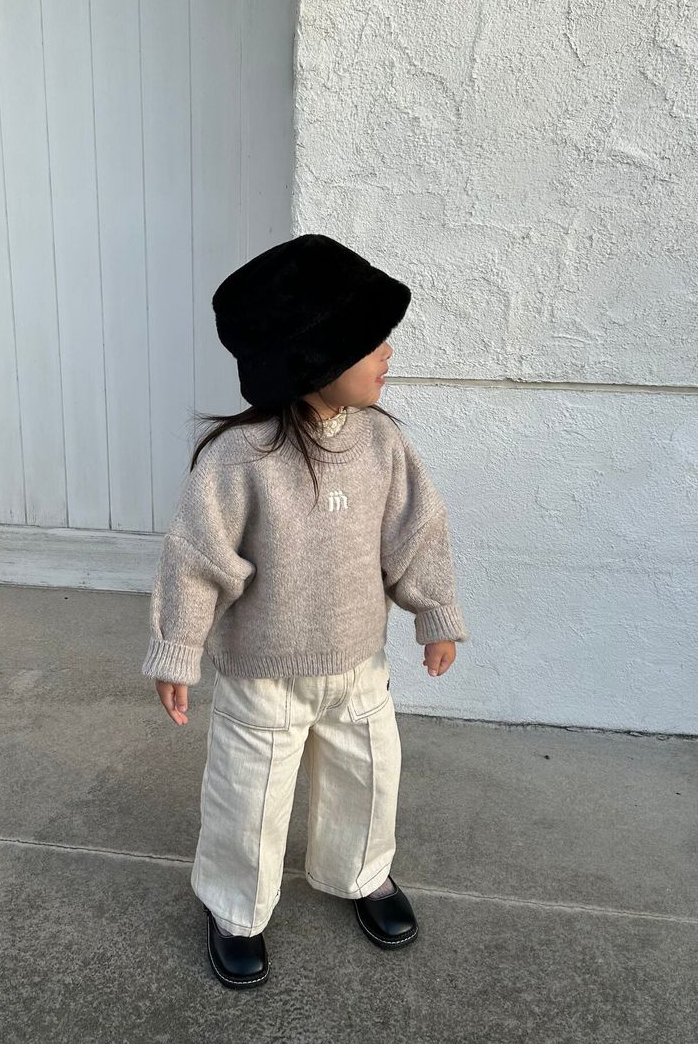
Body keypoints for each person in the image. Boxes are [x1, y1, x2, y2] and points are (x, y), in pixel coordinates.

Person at [141, 232, 469, 989]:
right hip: (263, 675)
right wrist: (177, 650)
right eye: (370, 340)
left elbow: (416, 530)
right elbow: (197, 559)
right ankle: (235, 907)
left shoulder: (382, 443)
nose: (387, 352)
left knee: (369, 774)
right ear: (313, 356)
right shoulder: (241, 459)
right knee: (248, 797)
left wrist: (434, 612)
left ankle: (364, 873)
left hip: (359, 664)